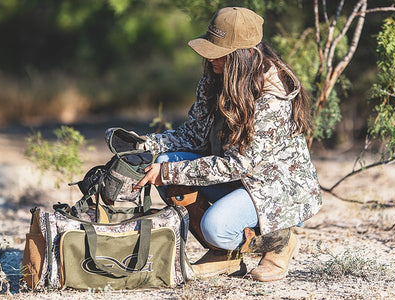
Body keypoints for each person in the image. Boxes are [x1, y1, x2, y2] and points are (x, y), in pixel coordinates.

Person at [134, 7, 322, 282]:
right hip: (239, 177)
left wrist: (168, 174)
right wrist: (145, 144)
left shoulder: (273, 95)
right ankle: (222, 255)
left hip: (275, 188)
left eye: (219, 53)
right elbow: (194, 137)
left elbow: (239, 165)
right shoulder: (216, 78)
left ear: (245, 55)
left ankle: (280, 241)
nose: (210, 59)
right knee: (164, 162)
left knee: (216, 226)